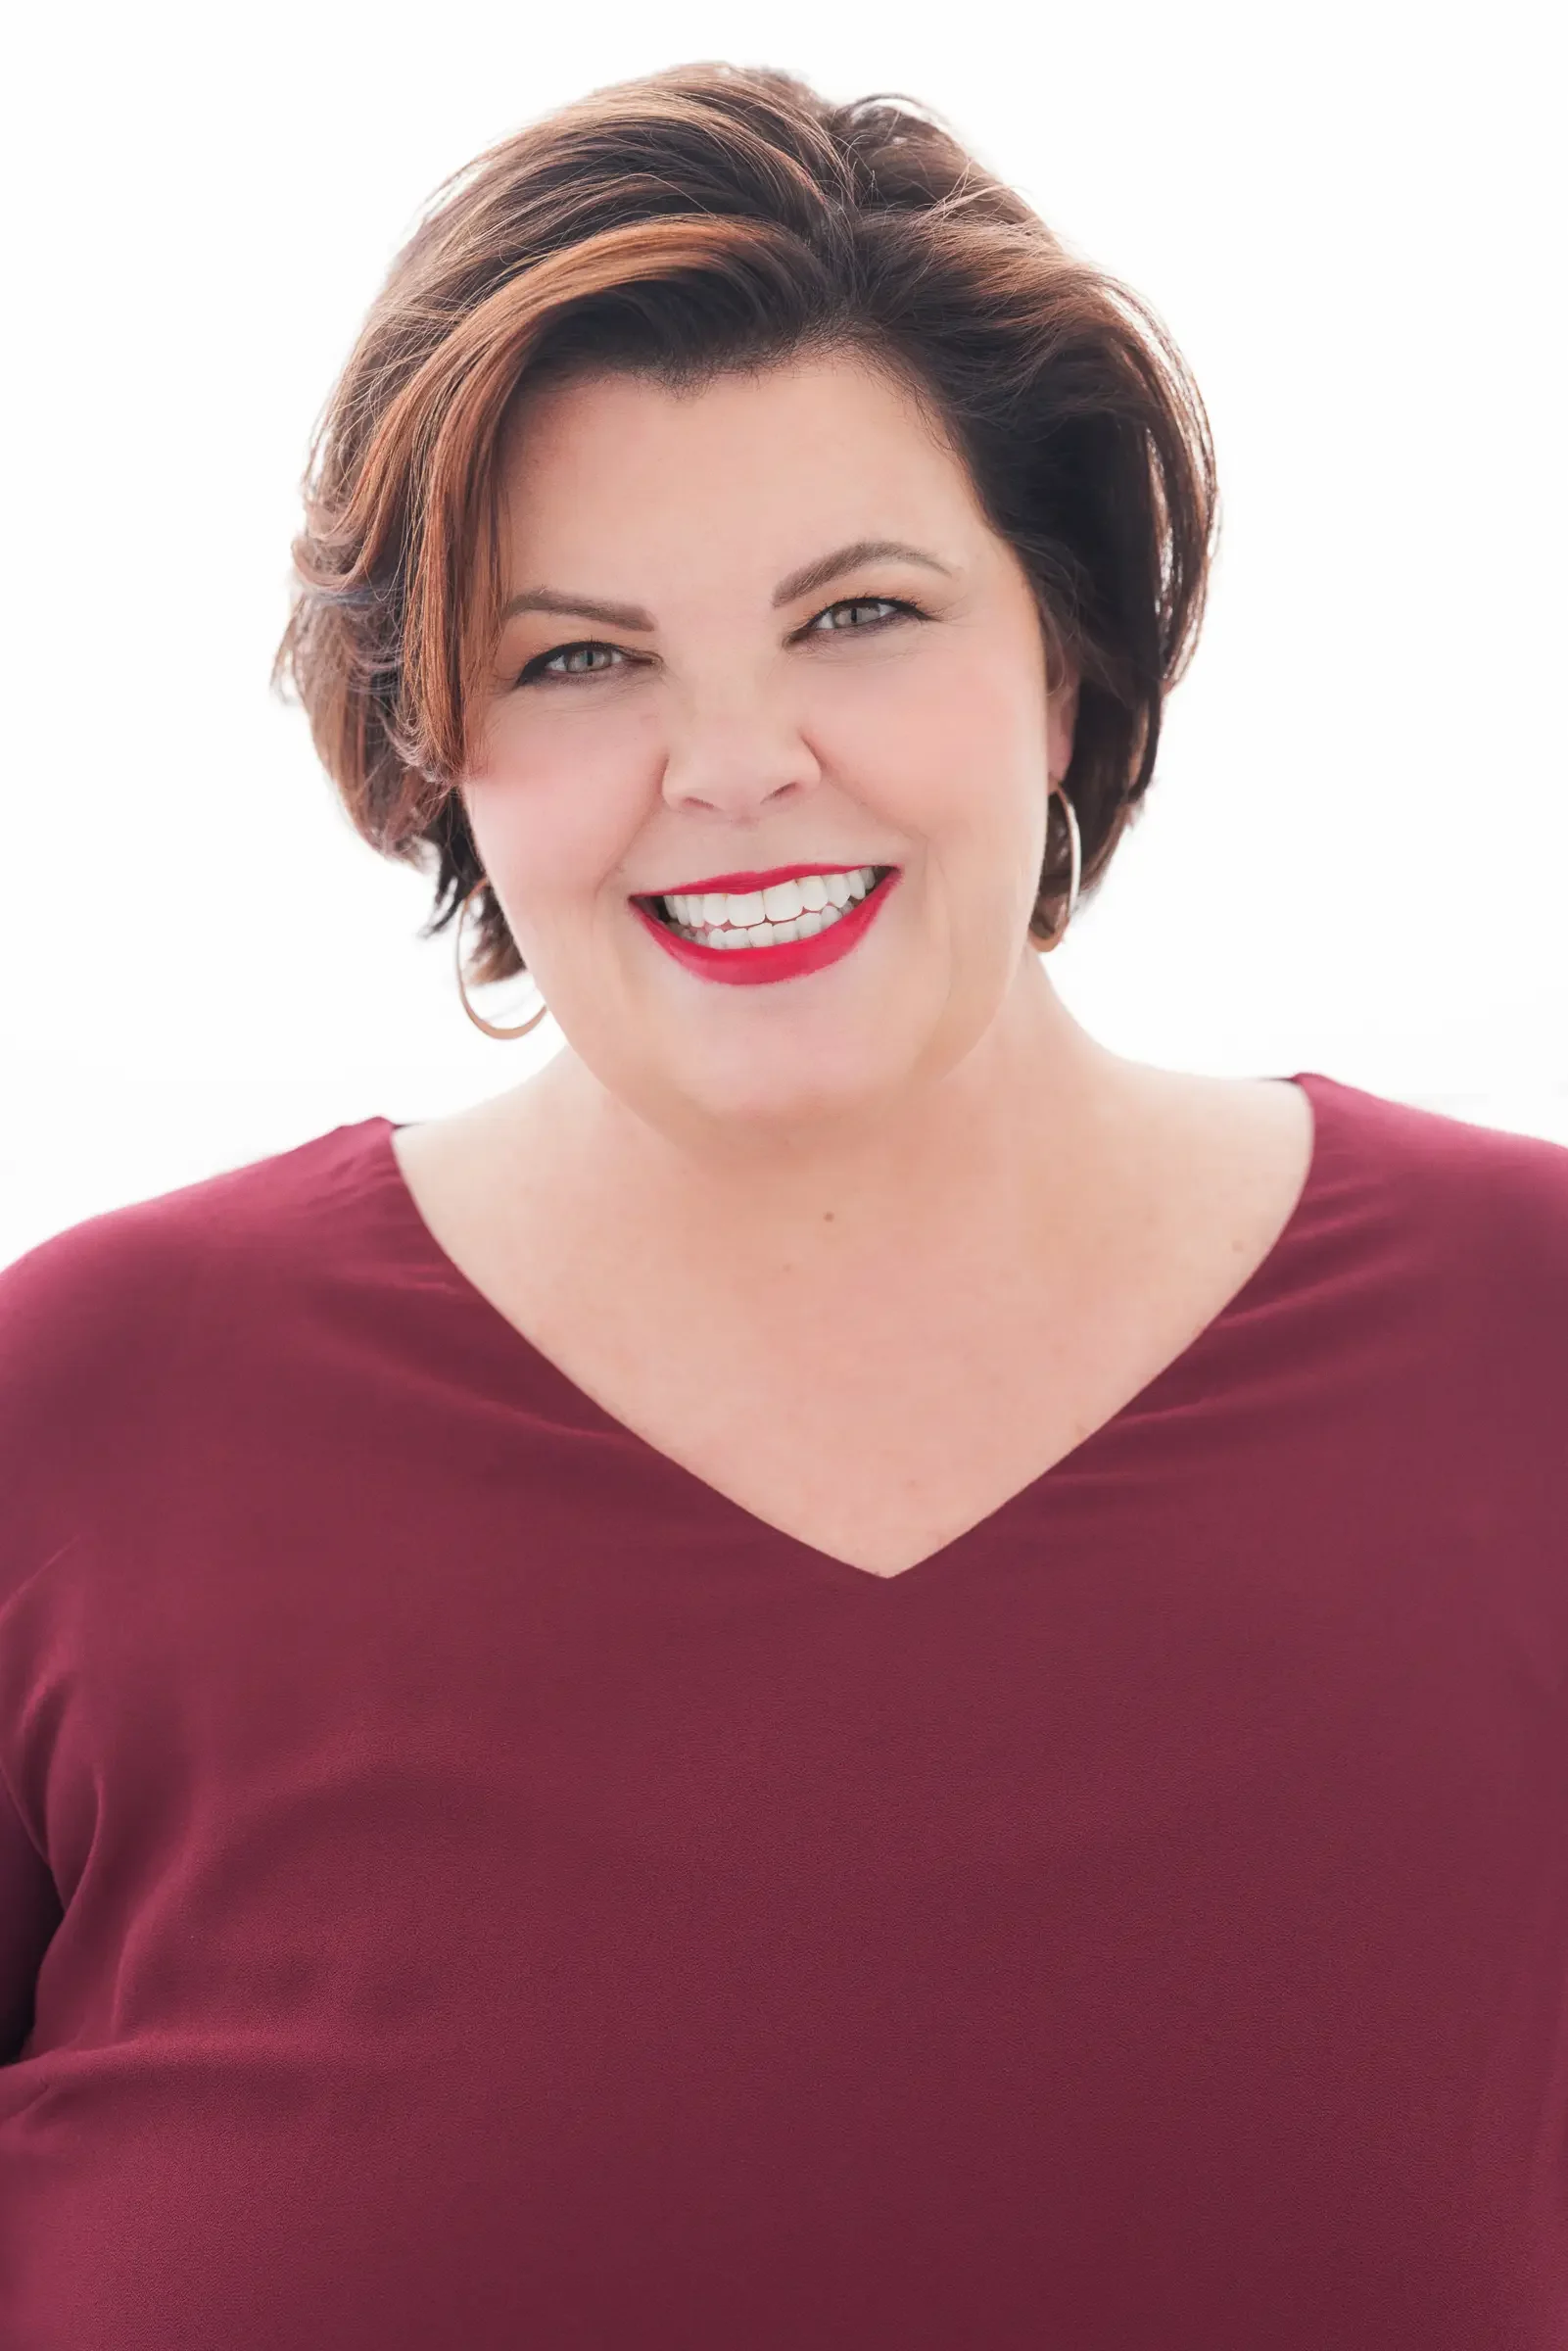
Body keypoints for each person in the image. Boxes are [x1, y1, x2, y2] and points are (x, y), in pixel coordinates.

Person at [2, 59, 1566, 2351]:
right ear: (444, 753)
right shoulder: (86, 1421)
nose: (732, 765)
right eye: (578, 658)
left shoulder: (1520, 1356)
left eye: (856, 616)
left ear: (1063, 663)